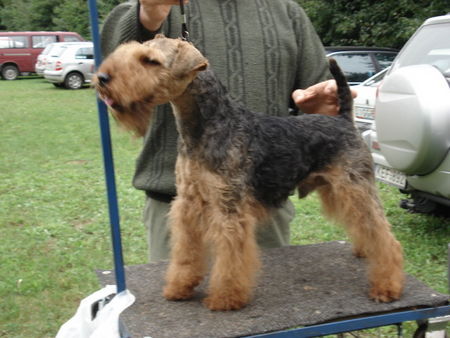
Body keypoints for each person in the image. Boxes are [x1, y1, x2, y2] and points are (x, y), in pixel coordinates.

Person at [101, 0, 343, 262]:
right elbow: (109, 71)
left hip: (265, 199)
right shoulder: (158, 4)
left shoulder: (287, 11)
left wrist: (325, 99)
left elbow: (317, 86)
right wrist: (147, 16)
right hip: (173, 201)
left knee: (271, 296)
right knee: (178, 300)